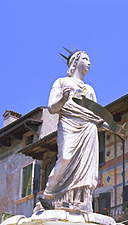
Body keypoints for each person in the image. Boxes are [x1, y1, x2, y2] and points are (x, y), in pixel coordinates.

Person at [38, 50, 104, 212]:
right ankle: (48, 196)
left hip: (88, 127)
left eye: (90, 60)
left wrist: (106, 124)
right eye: (86, 59)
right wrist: (63, 99)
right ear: (75, 62)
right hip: (69, 123)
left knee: (87, 167)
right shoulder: (61, 82)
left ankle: (81, 200)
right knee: (66, 157)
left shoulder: (89, 89)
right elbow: (53, 108)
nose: (89, 62)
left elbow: (95, 114)